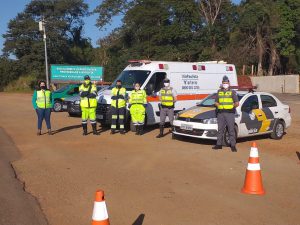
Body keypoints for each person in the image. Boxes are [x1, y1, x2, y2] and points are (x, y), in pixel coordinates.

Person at [213, 75, 239, 152]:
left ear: (229, 83)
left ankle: (233, 145)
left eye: (226, 82)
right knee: (220, 129)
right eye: (224, 82)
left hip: (230, 113)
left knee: (231, 129)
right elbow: (216, 102)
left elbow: (237, 103)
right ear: (222, 83)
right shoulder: (219, 92)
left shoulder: (232, 92)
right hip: (220, 113)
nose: (225, 84)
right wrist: (218, 105)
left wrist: (232, 106)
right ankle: (219, 144)